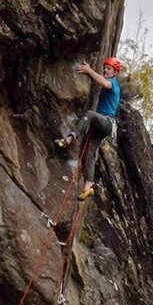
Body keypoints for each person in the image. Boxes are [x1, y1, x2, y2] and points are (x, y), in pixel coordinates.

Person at [56, 56, 123, 200]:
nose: (105, 70)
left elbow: (104, 83)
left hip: (107, 122)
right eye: (105, 67)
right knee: (89, 154)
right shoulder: (108, 81)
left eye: (109, 68)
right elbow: (100, 81)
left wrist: (88, 70)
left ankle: (70, 138)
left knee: (90, 115)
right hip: (102, 125)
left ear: (115, 72)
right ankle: (88, 186)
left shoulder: (114, 84)